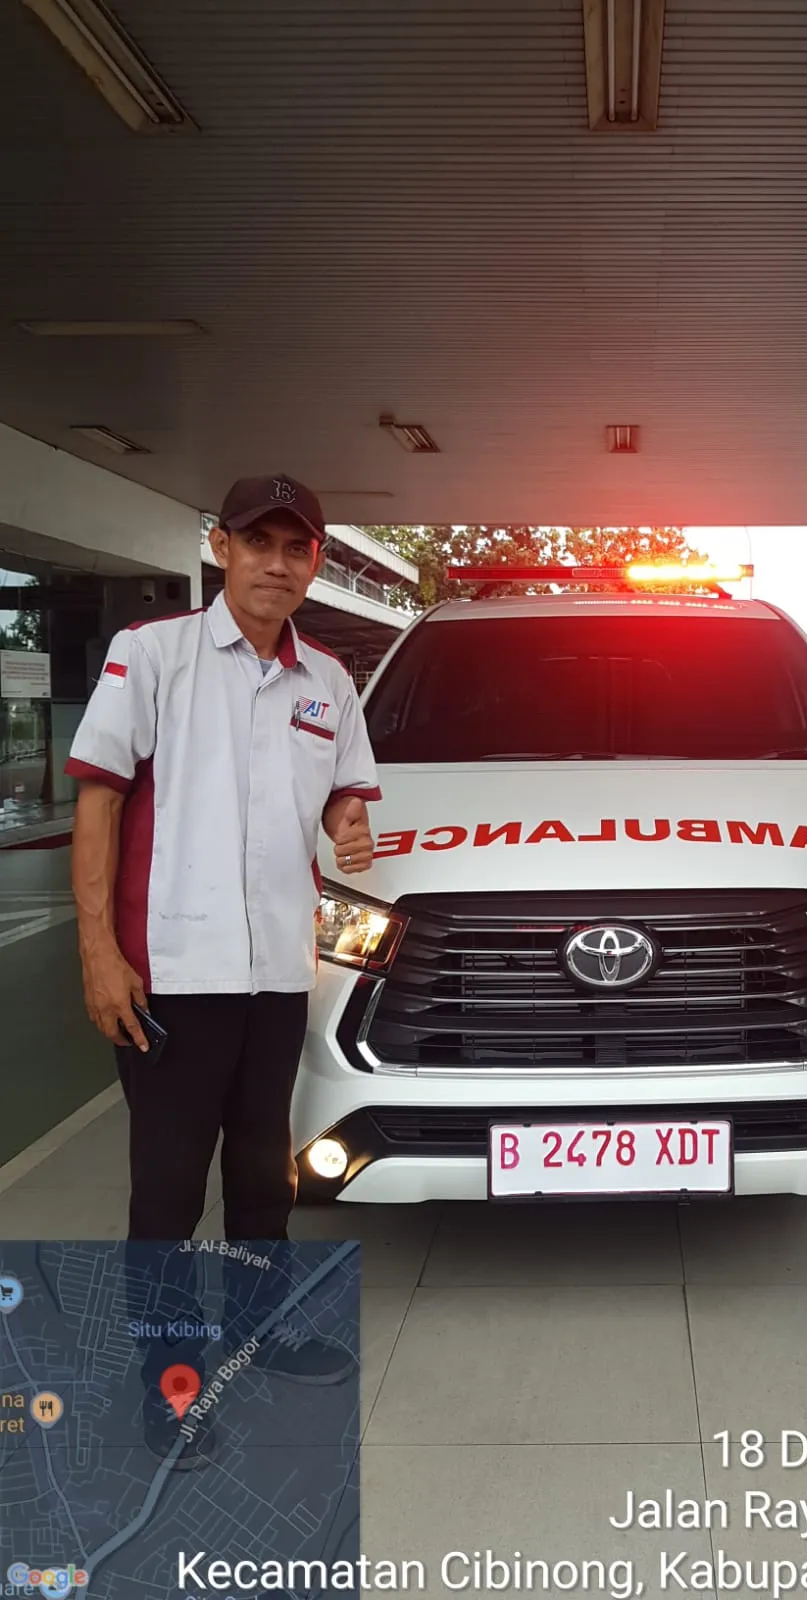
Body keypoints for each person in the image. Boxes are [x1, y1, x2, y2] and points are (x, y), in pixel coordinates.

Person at [66, 474, 381, 1458]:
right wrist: (98, 953)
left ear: (314, 562)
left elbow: (339, 798)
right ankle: (166, 1388)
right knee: (167, 1192)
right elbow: (99, 803)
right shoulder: (151, 654)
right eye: (257, 543)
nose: (275, 564)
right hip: (170, 977)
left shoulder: (328, 680)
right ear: (221, 547)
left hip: (277, 974)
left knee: (260, 1179)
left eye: (295, 548)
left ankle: (263, 1333)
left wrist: (348, 821)